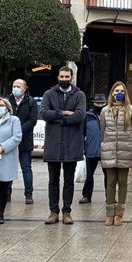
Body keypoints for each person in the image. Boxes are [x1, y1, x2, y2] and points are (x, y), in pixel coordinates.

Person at [39, 66, 86, 225]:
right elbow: (44, 113)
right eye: (62, 76)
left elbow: (80, 116)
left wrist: (57, 120)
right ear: (58, 77)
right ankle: (53, 212)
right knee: (53, 180)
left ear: (72, 77)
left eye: (67, 76)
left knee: (68, 181)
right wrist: (64, 113)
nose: (64, 79)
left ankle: (67, 211)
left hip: (72, 144)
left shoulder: (79, 95)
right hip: (53, 144)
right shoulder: (49, 94)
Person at [100, 82, 132, 226]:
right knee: (110, 182)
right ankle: (109, 213)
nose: (119, 93)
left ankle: (119, 214)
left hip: (126, 149)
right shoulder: (105, 110)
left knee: (123, 182)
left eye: (121, 91)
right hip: (109, 150)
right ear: (111, 93)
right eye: (116, 90)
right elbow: (103, 130)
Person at [7, 79, 38, 204]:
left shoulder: (31, 102)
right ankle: (7, 193)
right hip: (9, 141)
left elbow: (32, 120)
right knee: (8, 167)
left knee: (26, 168)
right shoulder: (7, 101)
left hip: (25, 140)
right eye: (14, 86)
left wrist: (18, 130)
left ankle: (28, 194)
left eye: (18, 86)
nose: (15, 88)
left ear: (25, 88)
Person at [80, 94, 107, 204]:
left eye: (102, 103)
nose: (100, 105)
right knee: (89, 175)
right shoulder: (87, 116)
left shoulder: (109, 115)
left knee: (108, 176)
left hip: (106, 150)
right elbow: (82, 133)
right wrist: (82, 148)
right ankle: (86, 195)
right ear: (93, 103)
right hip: (91, 149)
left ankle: (109, 196)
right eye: (98, 103)